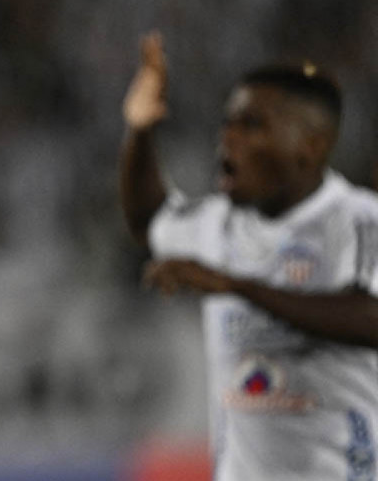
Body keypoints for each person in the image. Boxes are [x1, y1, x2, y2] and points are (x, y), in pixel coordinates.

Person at [118, 31, 378, 480]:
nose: (228, 138)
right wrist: (140, 129)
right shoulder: (219, 224)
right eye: (228, 122)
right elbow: (149, 221)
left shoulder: (358, 221)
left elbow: (371, 319)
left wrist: (237, 285)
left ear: (311, 145)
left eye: (251, 125)